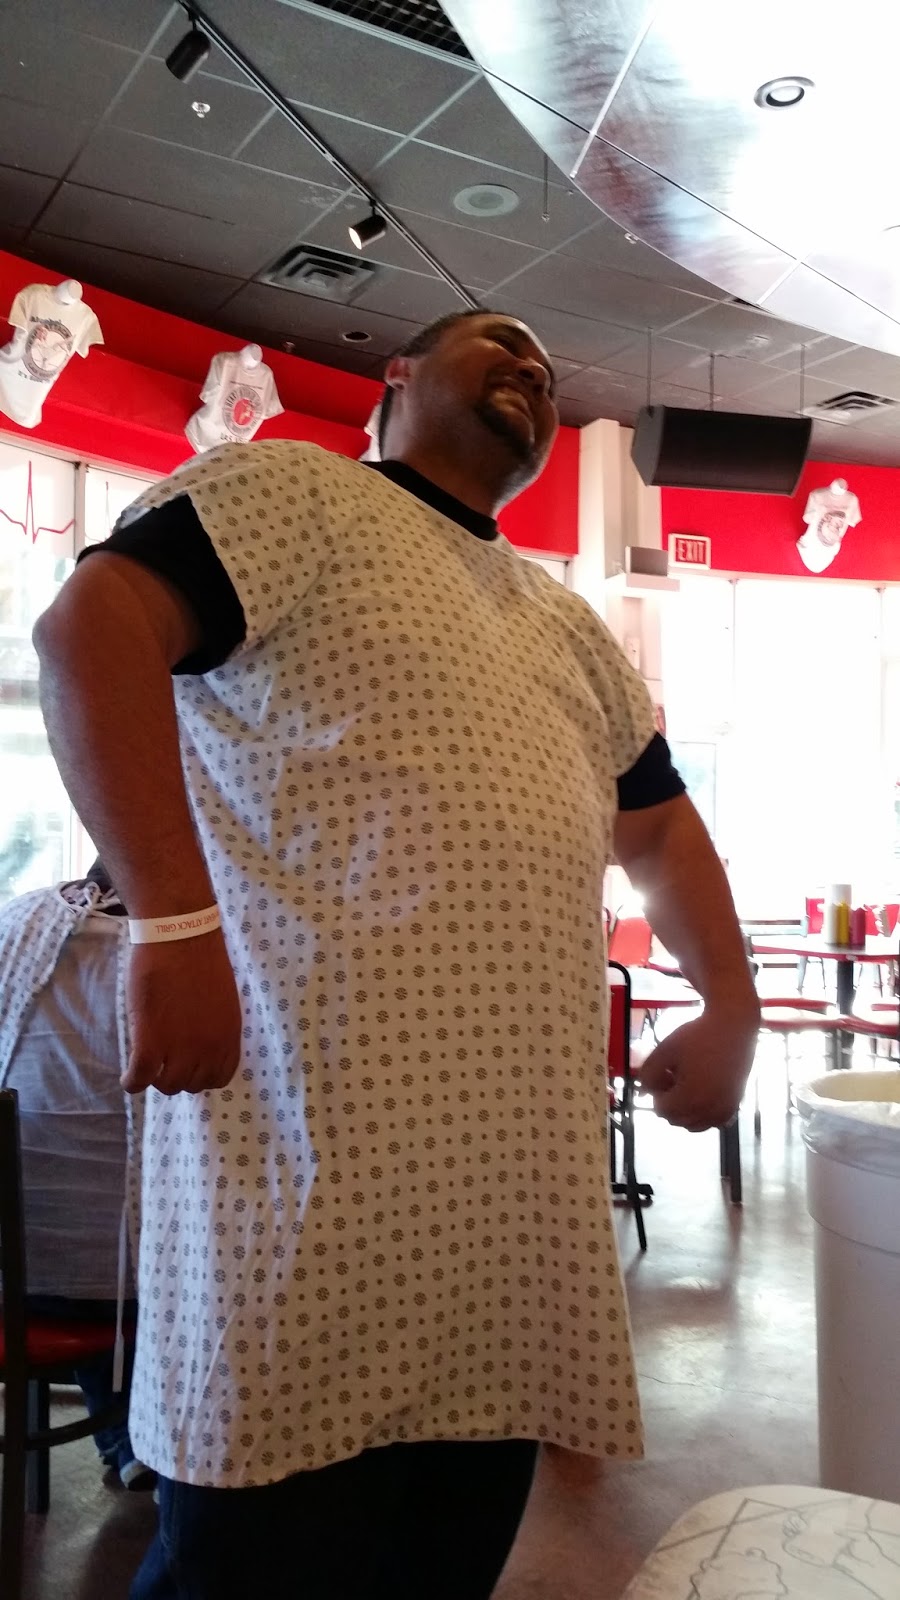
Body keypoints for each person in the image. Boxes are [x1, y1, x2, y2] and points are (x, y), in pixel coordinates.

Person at [32, 308, 759, 1599]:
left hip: (504, 1257)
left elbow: (656, 827)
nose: (531, 366)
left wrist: (733, 1004)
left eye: (547, 363)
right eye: (497, 342)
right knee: (251, 1573)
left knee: (442, 1571)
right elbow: (93, 629)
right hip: (300, 1222)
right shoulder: (293, 495)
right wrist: (172, 919)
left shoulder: (568, 627)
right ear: (398, 378)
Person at [0, 862, 153, 1490]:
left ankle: (126, 1439)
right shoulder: (205, 951)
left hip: (14, 1279)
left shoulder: (16, 926)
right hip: (140, 1294)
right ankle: (139, 1437)